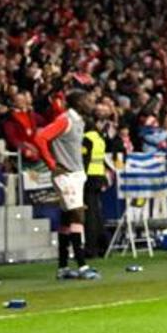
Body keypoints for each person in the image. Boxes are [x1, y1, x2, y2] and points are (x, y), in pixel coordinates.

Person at [34, 88, 98, 280]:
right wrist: (52, 164)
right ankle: (82, 265)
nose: (91, 104)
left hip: (75, 174)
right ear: (78, 102)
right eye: (88, 100)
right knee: (77, 215)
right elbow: (40, 137)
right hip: (66, 175)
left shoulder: (78, 121)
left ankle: (63, 267)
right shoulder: (65, 120)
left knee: (66, 219)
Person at [80, 114, 109, 259]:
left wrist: (81, 178)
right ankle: (103, 246)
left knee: (90, 215)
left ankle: (91, 248)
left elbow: (85, 160)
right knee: (97, 213)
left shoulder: (87, 138)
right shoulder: (99, 138)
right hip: (98, 176)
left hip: (89, 177)